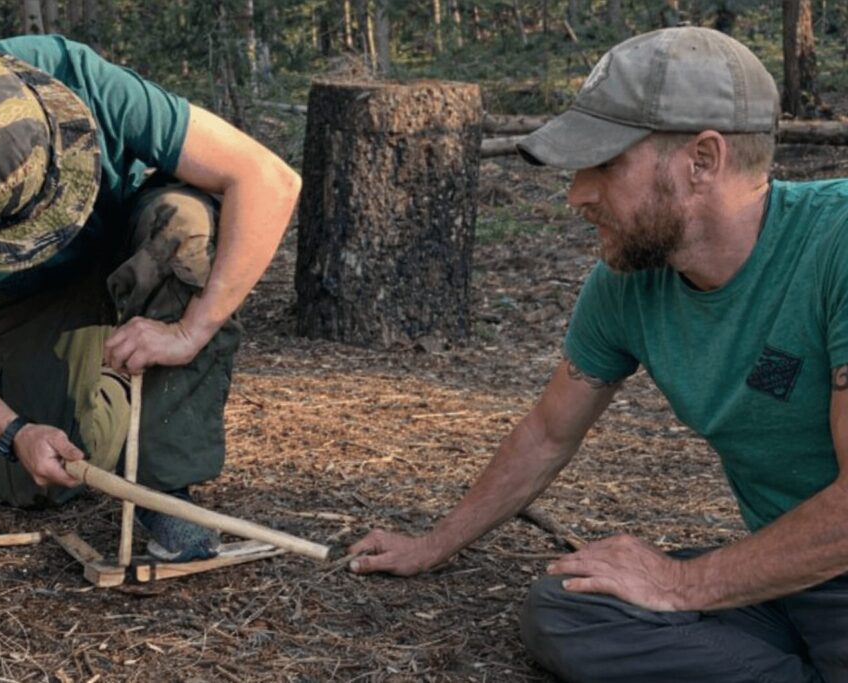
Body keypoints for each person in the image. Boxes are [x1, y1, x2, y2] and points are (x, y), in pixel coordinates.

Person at [348, 26, 848, 682]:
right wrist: (432, 543)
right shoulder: (627, 282)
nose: (577, 193)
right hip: (785, 580)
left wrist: (683, 584)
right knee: (569, 605)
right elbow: (549, 432)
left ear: (703, 159)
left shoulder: (835, 243)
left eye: (605, 164)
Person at [0, 34, 300, 563]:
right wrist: (14, 430)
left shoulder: (79, 77)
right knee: (39, 479)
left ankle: (168, 486)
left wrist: (191, 330)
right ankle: (113, 378)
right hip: (36, 289)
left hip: (133, 232)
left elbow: (267, 178)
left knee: (187, 227)